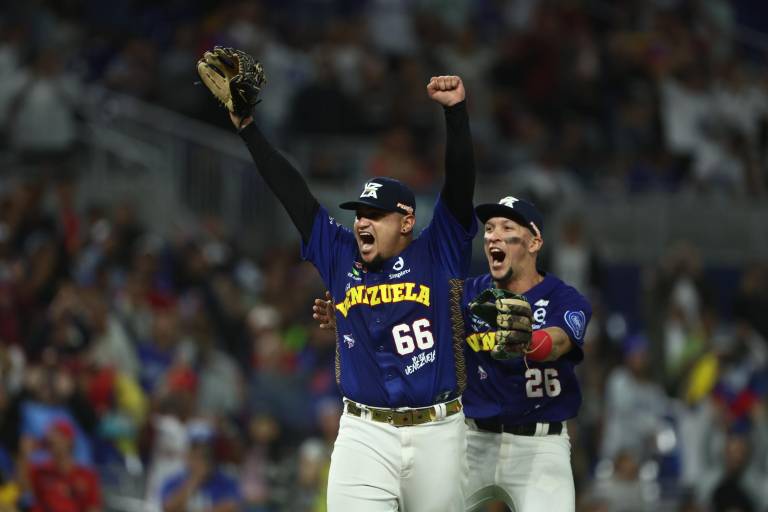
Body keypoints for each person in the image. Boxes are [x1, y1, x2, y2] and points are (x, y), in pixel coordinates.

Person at [203, 48, 477, 512]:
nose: (362, 224)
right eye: (359, 215)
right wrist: (248, 129)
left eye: (375, 215)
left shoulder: (439, 249)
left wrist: (455, 116)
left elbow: (460, 184)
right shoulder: (341, 254)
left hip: (438, 432)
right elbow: (294, 194)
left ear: (406, 220)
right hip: (364, 433)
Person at [314, 196, 591, 511]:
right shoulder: (466, 293)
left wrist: (527, 340)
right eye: (488, 228)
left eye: (507, 227)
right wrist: (350, 321)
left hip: (541, 447)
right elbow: (405, 322)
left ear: (534, 241)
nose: (493, 236)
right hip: (472, 440)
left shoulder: (563, 298)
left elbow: (558, 343)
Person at [26, 419, 102, 512]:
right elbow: (23, 489)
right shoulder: (40, 471)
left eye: (58, 436)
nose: (53, 439)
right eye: (50, 439)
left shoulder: (87, 475)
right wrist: (24, 455)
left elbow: (93, 507)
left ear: (69, 441)